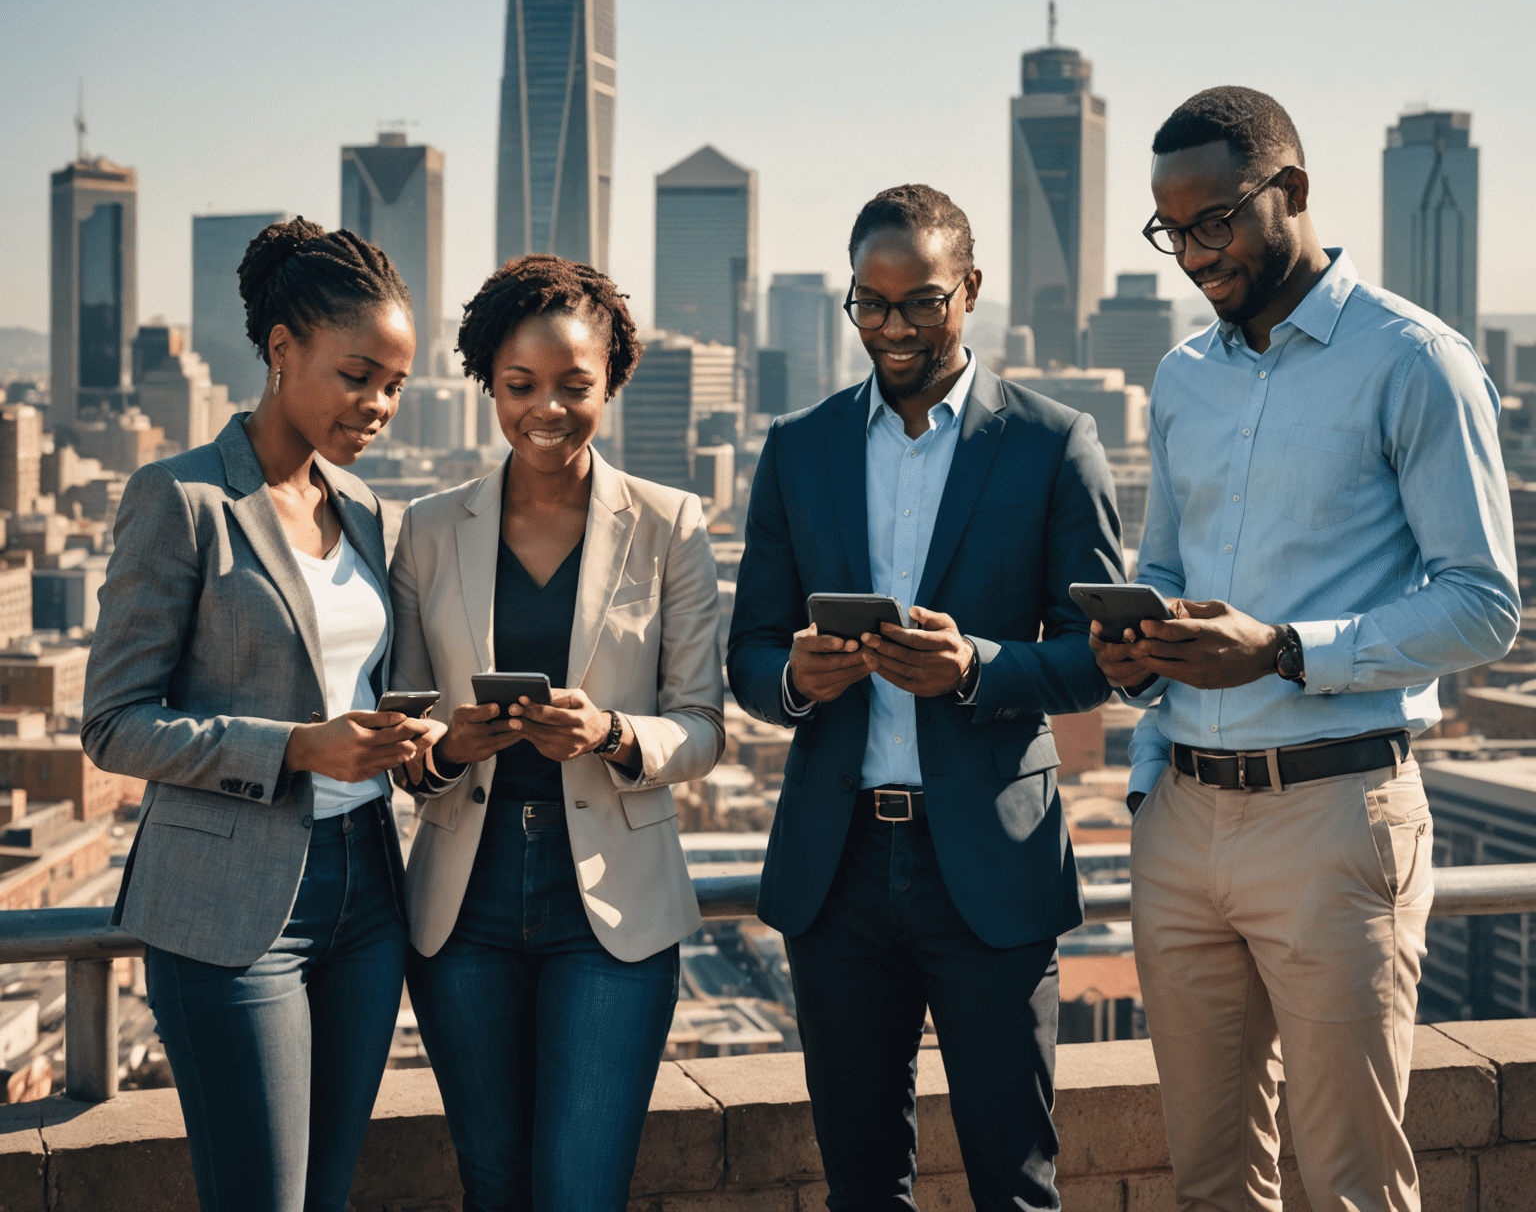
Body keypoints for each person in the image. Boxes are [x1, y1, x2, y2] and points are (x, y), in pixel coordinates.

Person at [1092, 87, 1519, 1212]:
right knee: (1212, 1182)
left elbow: (1484, 606)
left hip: (1334, 820)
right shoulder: (1183, 377)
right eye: (1169, 229)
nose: (1192, 253)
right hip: (1181, 817)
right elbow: (1171, 567)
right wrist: (1143, 645)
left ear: (1292, 192)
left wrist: (1284, 649)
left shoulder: (1415, 360)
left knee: (1348, 1188)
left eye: (1214, 222)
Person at [727, 185, 1123, 1212]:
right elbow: (750, 654)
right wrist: (793, 682)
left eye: (920, 303)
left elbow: (1103, 659)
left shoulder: (1052, 444)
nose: (892, 328)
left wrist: (979, 669)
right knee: (861, 1186)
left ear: (972, 292)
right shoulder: (798, 447)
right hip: (838, 865)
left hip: (990, 865)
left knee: (1014, 1183)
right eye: (871, 303)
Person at [81, 219, 438, 1212]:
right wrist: (295, 749)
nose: (378, 407)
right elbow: (113, 724)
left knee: (329, 1200)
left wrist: (419, 741)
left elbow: (369, 690)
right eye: (357, 374)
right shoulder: (181, 499)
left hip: (368, 890)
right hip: (230, 906)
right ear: (282, 350)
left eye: (395, 386)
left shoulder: (368, 512)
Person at [390, 254, 725, 1212]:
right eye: (520, 385)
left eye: (575, 386)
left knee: (581, 1193)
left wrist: (615, 733)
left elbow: (704, 728)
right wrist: (450, 747)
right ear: (487, 384)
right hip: (466, 908)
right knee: (492, 1188)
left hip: (612, 917)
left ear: (610, 381)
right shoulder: (425, 529)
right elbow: (403, 742)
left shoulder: (671, 525)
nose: (547, 408)